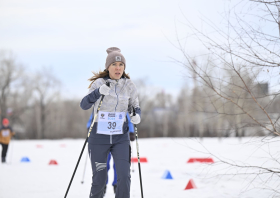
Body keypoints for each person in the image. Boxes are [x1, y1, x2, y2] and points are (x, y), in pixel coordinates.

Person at [80, 47, 141, 198]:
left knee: (124, 177)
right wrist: (98, 92)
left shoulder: (129, 85)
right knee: (100, 180)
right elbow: (84, 105)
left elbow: (135, 107)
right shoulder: (99, 83)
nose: (118, 68)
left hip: (121, 137)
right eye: (114, 64)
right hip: (99, 138)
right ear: (108, 67)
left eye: (121, 65)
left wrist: (136, 116)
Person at [87, 112, 136, 196]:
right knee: (104, 164)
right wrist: (89, 128)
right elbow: (92, 118)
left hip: (119, 139)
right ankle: (103, 185)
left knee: (119, 165)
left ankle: (116, 184)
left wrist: (131, 132)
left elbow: (128, 119)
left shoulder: (121, 105)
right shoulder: (102, 104)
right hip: (102, 138)